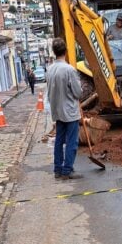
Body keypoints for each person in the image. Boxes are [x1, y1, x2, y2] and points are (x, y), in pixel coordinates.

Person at [46, 38, 83, 179]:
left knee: (59, 141)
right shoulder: (69, 70)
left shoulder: (49, 70)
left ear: (54, 52)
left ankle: (57, 169)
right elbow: (78, 92)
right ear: (66, 51)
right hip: (70, 111)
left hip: (57, 111)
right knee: (72, 142)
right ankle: (67, 170)